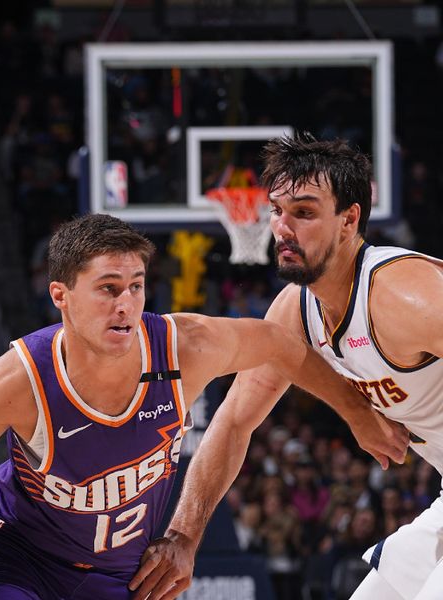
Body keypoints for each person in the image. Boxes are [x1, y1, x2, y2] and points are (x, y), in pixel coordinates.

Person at [0, 213, 406, 600]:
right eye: (108, 288)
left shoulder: (186, 347)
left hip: (121, 574)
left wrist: (357, 413)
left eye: (136, 286)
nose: (126, 304)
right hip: (15, 556)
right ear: (61, 295)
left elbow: (285, 347)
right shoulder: (18, 379)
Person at [167, 134, 442, 599]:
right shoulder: (294, 312)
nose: (282, 227)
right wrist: (183, 538)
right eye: (276, 210)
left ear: (348, 220)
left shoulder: (402, 295)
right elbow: (233, 422)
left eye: (305, 212)